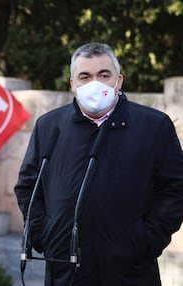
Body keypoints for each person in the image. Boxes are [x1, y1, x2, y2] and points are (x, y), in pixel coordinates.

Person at [14, 42, 183, 286]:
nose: (95, 83)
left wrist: (147, 240)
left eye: (104, 75)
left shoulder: (154, 126)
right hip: (64, 269)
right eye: (85, 76)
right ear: (73, 84)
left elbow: (175, 189)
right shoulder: (50, 126)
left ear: (119, 80)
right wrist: (45, 236)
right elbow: (28, 186)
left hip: (130, 270)